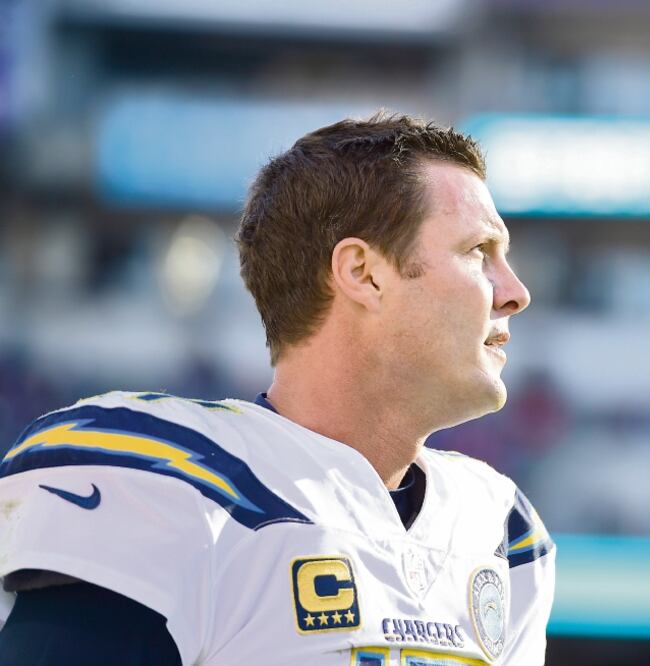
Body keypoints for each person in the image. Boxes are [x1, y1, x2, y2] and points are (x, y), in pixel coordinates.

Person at [0, 114, 555, 665]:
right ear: (363, 272)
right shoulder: (170, 482)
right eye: (478, 252)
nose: (515, 292)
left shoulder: (502, 533)